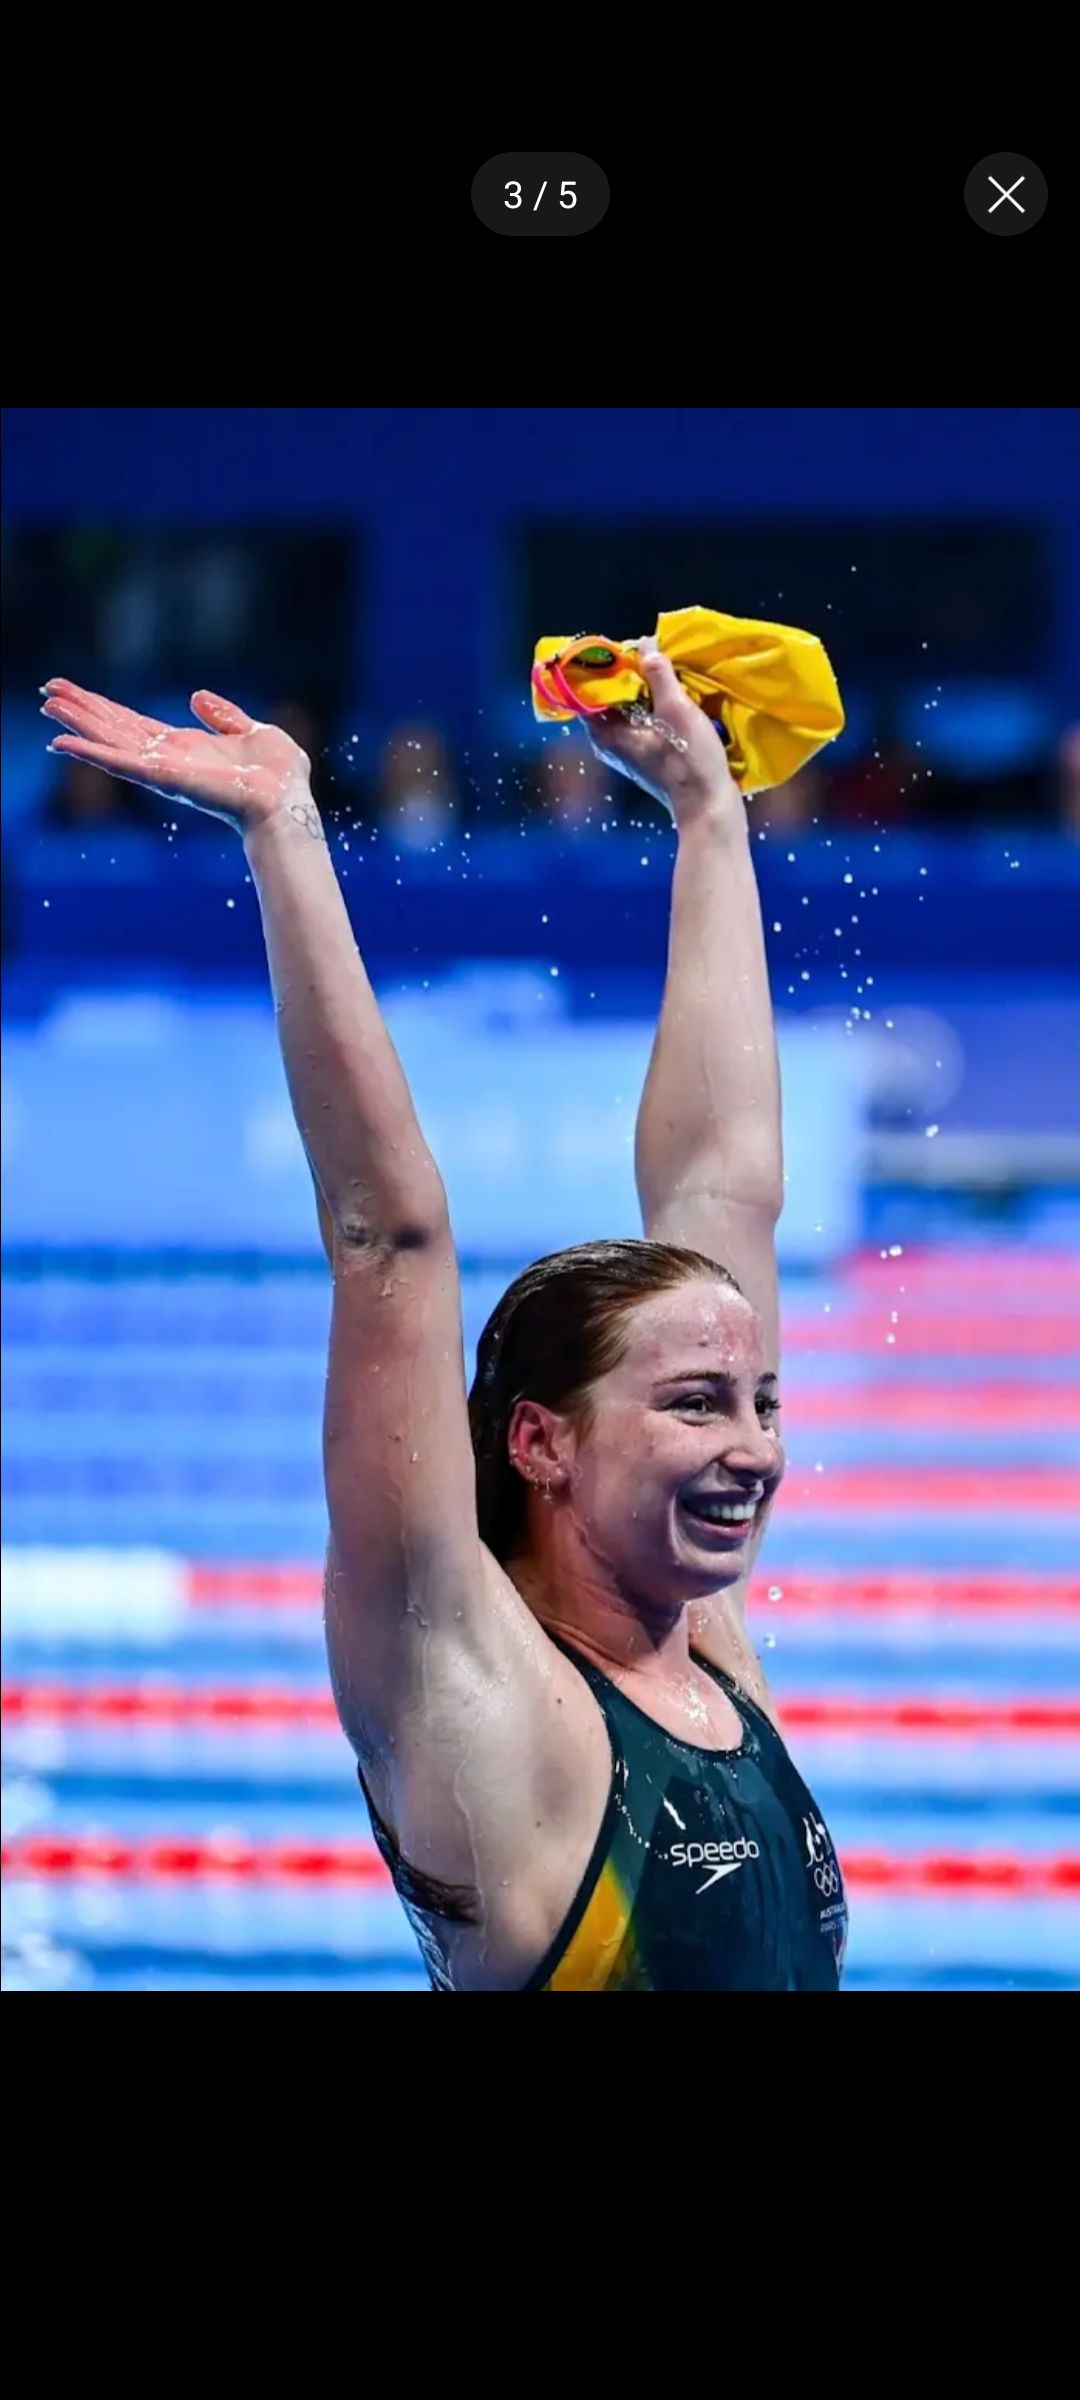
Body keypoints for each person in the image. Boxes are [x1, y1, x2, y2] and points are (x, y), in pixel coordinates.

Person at [41, 654, 848, 1992]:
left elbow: (721, 1185)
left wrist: (709, 815)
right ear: (541, 1442)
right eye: (697, 1404)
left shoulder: (704, 1651)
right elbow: (387, 1236)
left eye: (760, 1403)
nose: (758, 1448)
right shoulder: (468, 1692)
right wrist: (284, 831)